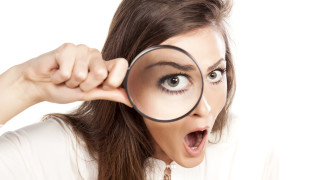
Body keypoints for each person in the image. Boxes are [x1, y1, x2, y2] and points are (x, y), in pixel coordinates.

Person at [0, 0, 278, 179]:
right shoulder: (57, 152)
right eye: (174, 81)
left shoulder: (248, 152)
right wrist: (23, 86)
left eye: (215, 74)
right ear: (129, 81)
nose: (205, 109)